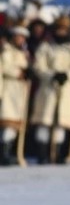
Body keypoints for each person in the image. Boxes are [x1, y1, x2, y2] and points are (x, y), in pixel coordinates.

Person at [30, 16, 70, 164]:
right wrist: (52, 75)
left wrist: (67, 75)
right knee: (44, 120)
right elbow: (39, 66)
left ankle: (57, 153)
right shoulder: (45, 47)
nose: (61, 33)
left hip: (65, 88)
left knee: (61, 122)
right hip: (48, 88)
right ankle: (42, 153)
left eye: (64, 30)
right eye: (58, 30)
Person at [0, 26, 31, 165]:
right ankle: (4, 153)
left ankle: (9, 151)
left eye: (22, 37)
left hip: (20, 90)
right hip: (9, 88)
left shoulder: (24, 53)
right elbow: (5, 66)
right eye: (17, 36)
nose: (20, 39)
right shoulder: (7, 51)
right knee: (8, 121)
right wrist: (19, 73)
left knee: (14, 124)